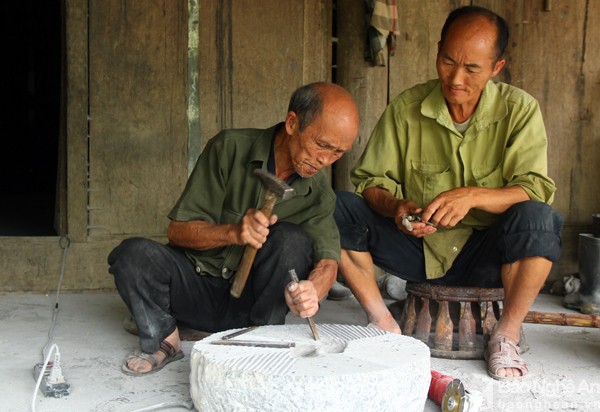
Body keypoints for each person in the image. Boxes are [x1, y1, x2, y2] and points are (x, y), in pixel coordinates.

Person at [334, 6, 563, 382]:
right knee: (339, 208)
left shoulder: (519, 110)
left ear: (496, 67)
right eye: (447, 61)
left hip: (488, 255)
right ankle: (383, 322)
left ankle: (506, 333)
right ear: (438, 50)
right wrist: (398, 208)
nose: (456, 78)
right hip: (420, 250)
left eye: (472, 68)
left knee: (540, 218)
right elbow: (371, 182)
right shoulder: (407, 109)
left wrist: (472, 196)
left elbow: (534, 186)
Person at [109, 82, 359, 375]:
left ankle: (259, 340)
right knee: (132, 255)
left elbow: (329, 261)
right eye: (321, 145)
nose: (325, 160)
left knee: (292, 239)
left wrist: (313, 289)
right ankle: (166, 340)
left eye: (337, 153)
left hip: (251, 309)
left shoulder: (318, 194)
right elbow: (177, 231)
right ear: (293, 123)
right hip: (194, 287)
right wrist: (234, 233)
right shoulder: (229, 147)